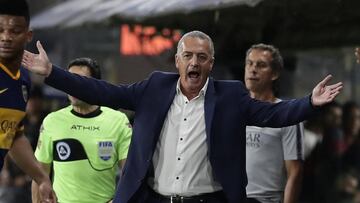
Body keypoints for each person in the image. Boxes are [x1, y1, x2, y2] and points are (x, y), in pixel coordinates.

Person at [22, 30, 342, 203]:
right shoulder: (154, 88)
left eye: (202, 57)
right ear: (177, 61)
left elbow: (276, 114)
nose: (194, 62)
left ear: (211, 64)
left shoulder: (230, 96)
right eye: (188, 56)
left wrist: (310, 103)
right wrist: (52, 73)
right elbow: (104, 92)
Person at [31, 58, 132, 203]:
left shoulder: (118, 121)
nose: (72, 87)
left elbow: (131, 174)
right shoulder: (52, 121)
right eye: (69, 81)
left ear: (95, 85)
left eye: (78, 81)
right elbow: (39, 175)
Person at [0, 0, 56, 202]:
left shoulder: (23, 79)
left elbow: (13, 135)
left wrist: (41, 179)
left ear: (28, 35)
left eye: (14, 31)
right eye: (0, 30)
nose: (5, 38)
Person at [244, 44, 304, 203]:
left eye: (261, 65)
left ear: (275, 73)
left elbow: (295, 172)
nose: (253, 69)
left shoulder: (286, 114)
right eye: (249, 63)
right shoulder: (233, 111)